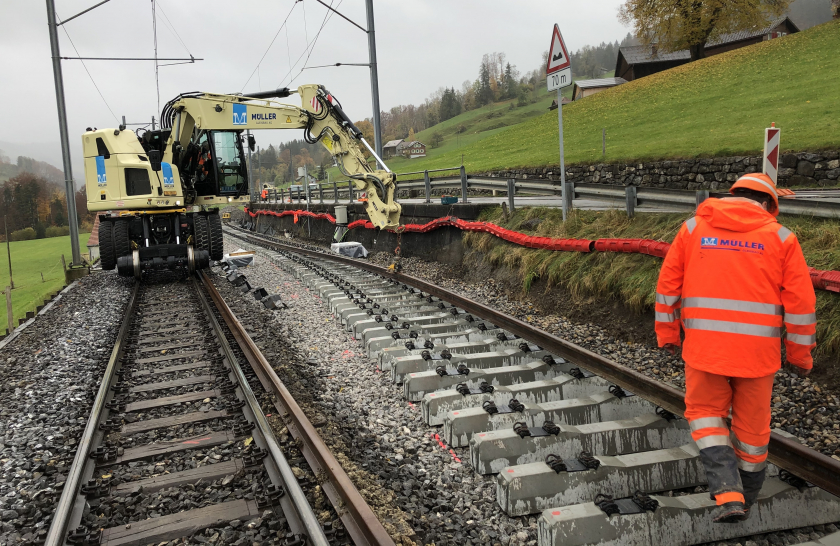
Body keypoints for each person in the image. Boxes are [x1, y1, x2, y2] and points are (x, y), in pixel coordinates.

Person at [655, 173, 816, 523]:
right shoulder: (782, 237)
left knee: (707, 415)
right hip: (758, 356)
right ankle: (749, 495)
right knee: (753, 430)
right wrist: (801, 356)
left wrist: (667, 334)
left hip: (705, 350)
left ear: (731, 195)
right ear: (769, 204)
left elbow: (668, 286)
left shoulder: (694, 229)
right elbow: (802, 305)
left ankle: (728, 494)